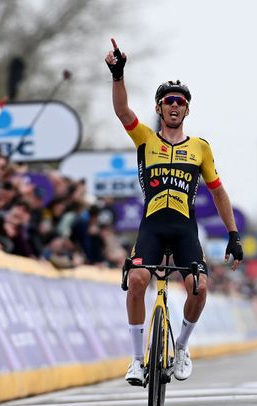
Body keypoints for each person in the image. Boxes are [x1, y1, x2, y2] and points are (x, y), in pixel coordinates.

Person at [105, 38, 244, 385]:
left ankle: (181, 346)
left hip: (184, 229)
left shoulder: (200, 148)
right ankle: (137, 360)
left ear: (187, 110)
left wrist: (233, 235)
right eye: (168, 101)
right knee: (137, 279)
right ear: (159, 107)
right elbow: (123, 112)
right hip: (152, 226)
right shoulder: (145, 140)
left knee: (198, 287)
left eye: (180, 102)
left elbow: (219, 193)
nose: (174, 106)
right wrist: (118, 75)